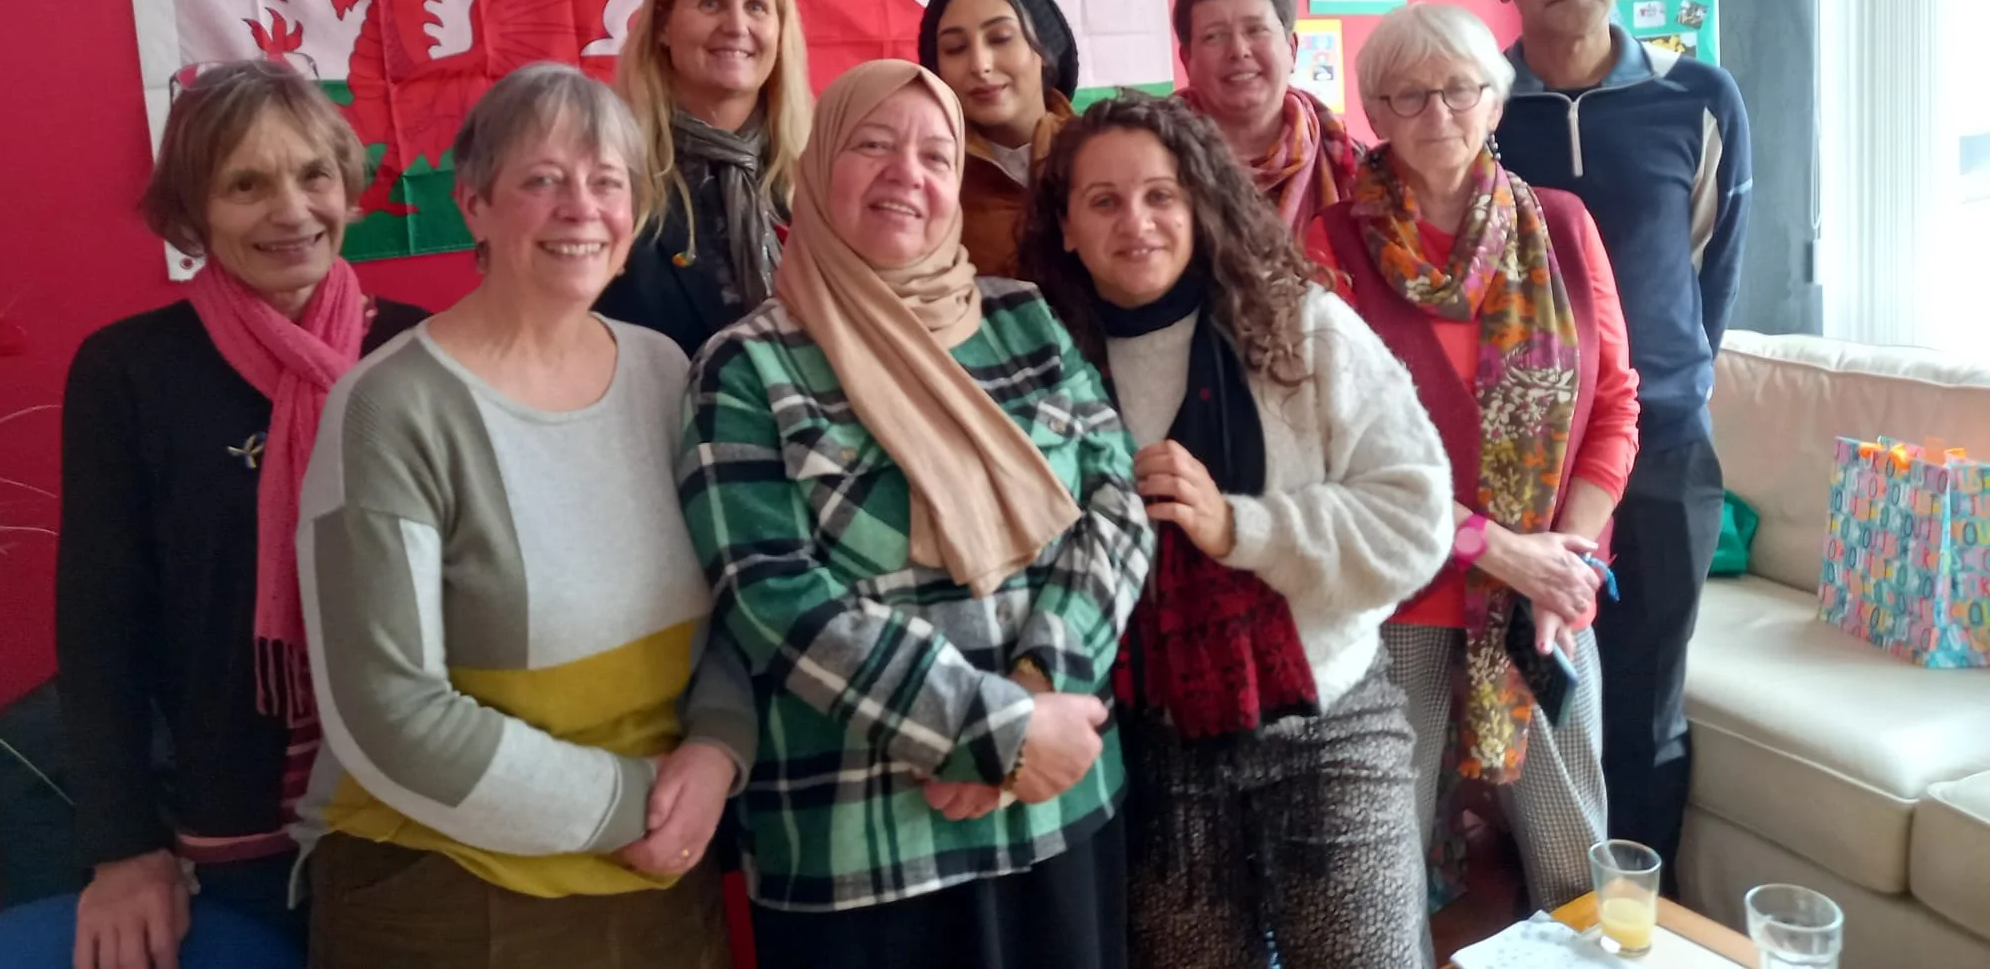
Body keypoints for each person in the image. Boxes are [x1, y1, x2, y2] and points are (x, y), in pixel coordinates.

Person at [676, 61, 1154, 969]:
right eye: (872, 145)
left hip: (1056, 804)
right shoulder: (745, 368)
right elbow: (774, 598)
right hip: (863, 846)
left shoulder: (1025, 322)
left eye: (937, 154)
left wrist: (1039, 695)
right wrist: (988, 733)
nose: (909, 173)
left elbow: (1115, 509)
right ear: (817, 170)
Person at [296, 63, 754, 969]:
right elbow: (389, 712)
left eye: (607, 181)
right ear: (474, 206)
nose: (579, 207)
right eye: (542, 179)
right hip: (448, 888)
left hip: (661, 876)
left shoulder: (669, 373)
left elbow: (736, 597)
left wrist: (717, 751)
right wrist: (640, 805)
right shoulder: (390, 409)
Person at [1023, 92, 1451, 969]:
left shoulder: (1301, 327)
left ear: (1199, 203)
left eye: (1161, 195)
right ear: (1065, 227)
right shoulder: (1043, 367)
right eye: (1103, 201)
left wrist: (1240, 526)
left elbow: (1417, 521)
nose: (1135, 221)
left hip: (1326, 723)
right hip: (1149, 750)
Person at [52, 59, 425, 969]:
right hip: (228, 828)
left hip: (418, 811)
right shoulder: (129, 372)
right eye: (246, 184)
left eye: (313, 176)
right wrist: (124, 849)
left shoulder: (423, 349)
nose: (291, 211)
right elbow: (100, 628)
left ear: (347, 187)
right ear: (193, 213)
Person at [1319, 4, 1641, 913]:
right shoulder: (1330, 249)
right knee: (1386, 853)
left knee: (1570, 840)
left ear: (1495, 103)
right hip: (1401, 597)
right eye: (1409, 96)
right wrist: (1491, 548)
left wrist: (1562, 563)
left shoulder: (1566, 230)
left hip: (1544, 595)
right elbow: (1336, 453)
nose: (1438, 114)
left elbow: (1616, 404)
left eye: (1460, 90)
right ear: (1375, 114)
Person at [1487, 0, 1751, 876]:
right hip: (1524, 466)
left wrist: (1673, 381)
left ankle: (1644, 908)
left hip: (1664, 453)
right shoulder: (1476, 107)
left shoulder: (1697, 97)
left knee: (1645, 695)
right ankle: (1542, 896)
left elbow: (1711, 267)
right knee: (1530, 681)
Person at [599, 0, 812, 356]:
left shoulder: (818, 179)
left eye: (757, 6)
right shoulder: (608, 181)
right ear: (662, 26)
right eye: (712, 3)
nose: (737, 26)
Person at [1171, 0, 1362, 262]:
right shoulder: (1148, 160)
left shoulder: (1353, 168)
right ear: (1187, 60)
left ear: (1292, 49)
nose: (1238, 50)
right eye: (1214, 37)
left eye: (1255, 30)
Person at [918, 0, 1079, 277]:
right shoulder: (926, 180)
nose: (980, 65)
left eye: (1001, 38)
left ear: (1045, 52)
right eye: (955, 48)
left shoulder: (1101, 154)